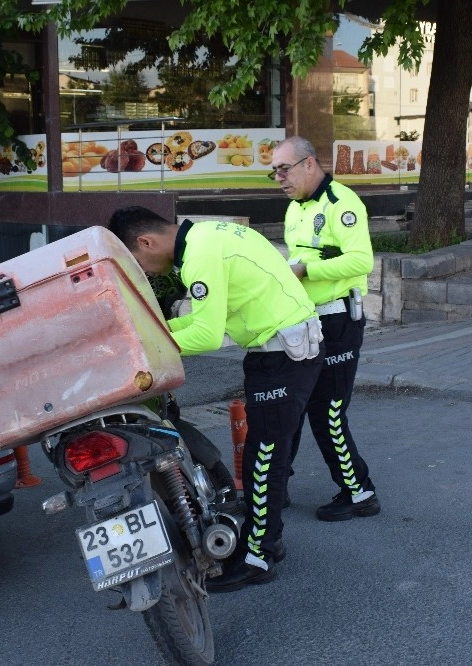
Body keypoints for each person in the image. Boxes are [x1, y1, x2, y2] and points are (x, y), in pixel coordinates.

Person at [107, 206, 324, 593]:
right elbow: (209, 320)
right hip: (283, 352)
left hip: (282, 357)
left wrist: (145, 350)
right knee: (265, 456)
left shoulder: (200, 256)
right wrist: (151, 332)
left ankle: (260, 556)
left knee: (263, 459)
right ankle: (266, 540)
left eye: (138, 262)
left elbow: (207, 335)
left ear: (145, 241)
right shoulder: (210, 236)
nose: (146, 272)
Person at [270, 136, 380, 522]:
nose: (278, 177)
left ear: (310, 164)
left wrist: (306, 270)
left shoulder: (343, 203)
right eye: (274, 171)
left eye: (284, 168)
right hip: (306, 319)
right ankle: (275, 491)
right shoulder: (294, 209)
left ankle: (359, 492)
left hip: (338, 321)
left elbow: (362, 260)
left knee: (327, 411)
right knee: (291, 408)